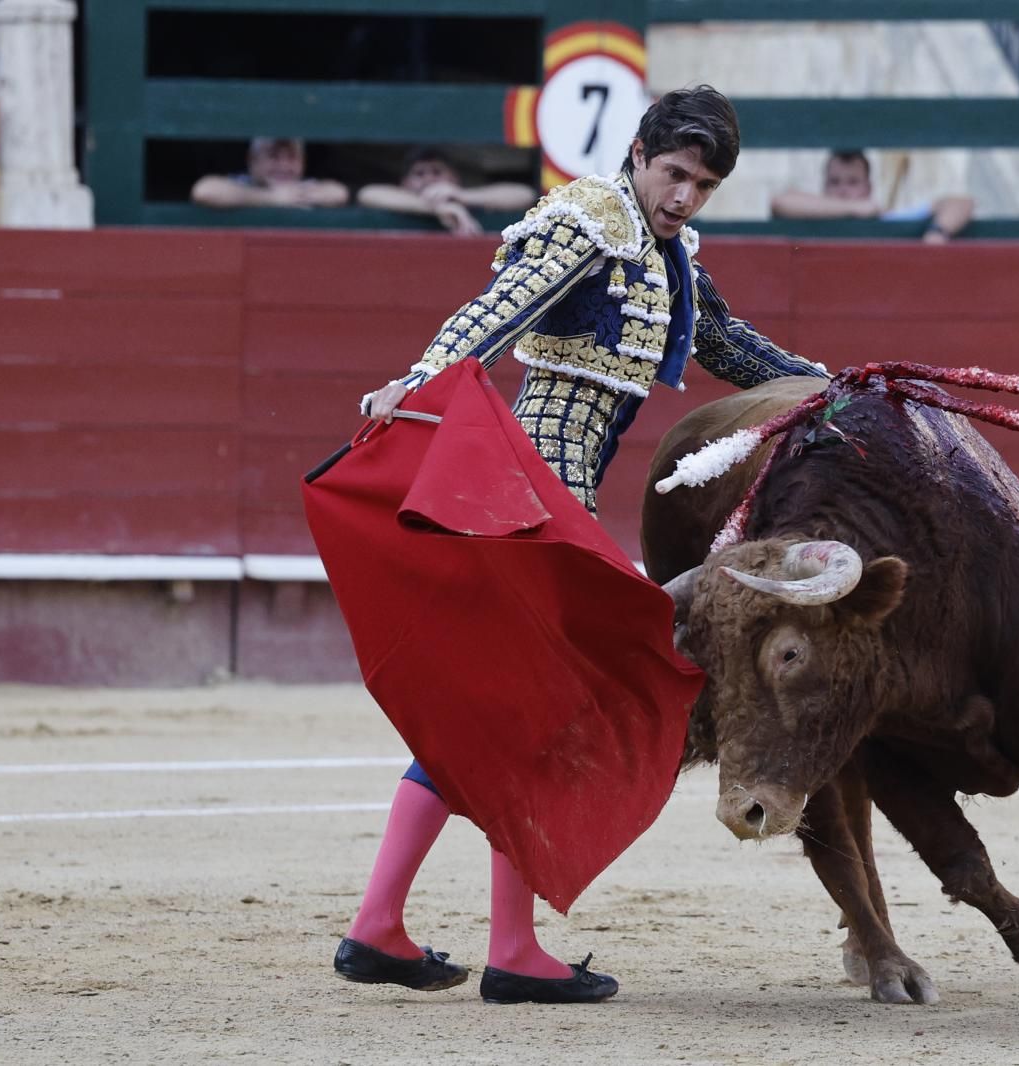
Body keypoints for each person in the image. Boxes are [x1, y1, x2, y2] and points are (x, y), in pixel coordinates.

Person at [335, 86, 831, 1005]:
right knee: (539, 717)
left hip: (557, 501)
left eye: (704, 184)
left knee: (504, 717)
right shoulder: (592, 217)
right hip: (531, 504)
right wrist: (416, 381)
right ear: (639, 154)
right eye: (675, 173)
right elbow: (501, 308)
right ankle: (508, 949)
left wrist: (832, 388)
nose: (684, 195)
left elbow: (726, 343)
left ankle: (383, 927)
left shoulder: (667, 249)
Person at [769, 149, 976, 243]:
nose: (843, 190)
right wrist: (854, 208)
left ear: (868, 187)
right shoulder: (812, 221)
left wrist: (937, 232)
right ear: (824, 186)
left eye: (853, 182)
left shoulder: (887, 220)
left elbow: (960, 203)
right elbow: (780, 203)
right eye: (835, 182)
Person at [355, 146, 537, 235]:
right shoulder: (397, 202)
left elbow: (525, 195)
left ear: (454, 178)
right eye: (419, 173)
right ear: (405, 183)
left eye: (437, 171)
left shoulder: (468, 200)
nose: (429, 179)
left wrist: (461, 196)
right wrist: (436, 208)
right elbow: (367, 194)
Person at [189, 137, 349, 209]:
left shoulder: (302, 188)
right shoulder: (242, 183)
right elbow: (204, 191)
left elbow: (338, 193)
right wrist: (272, 198)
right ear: (253, 160)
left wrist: (297, 196)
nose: (284, 166)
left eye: (292, 158)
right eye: (273, 156)